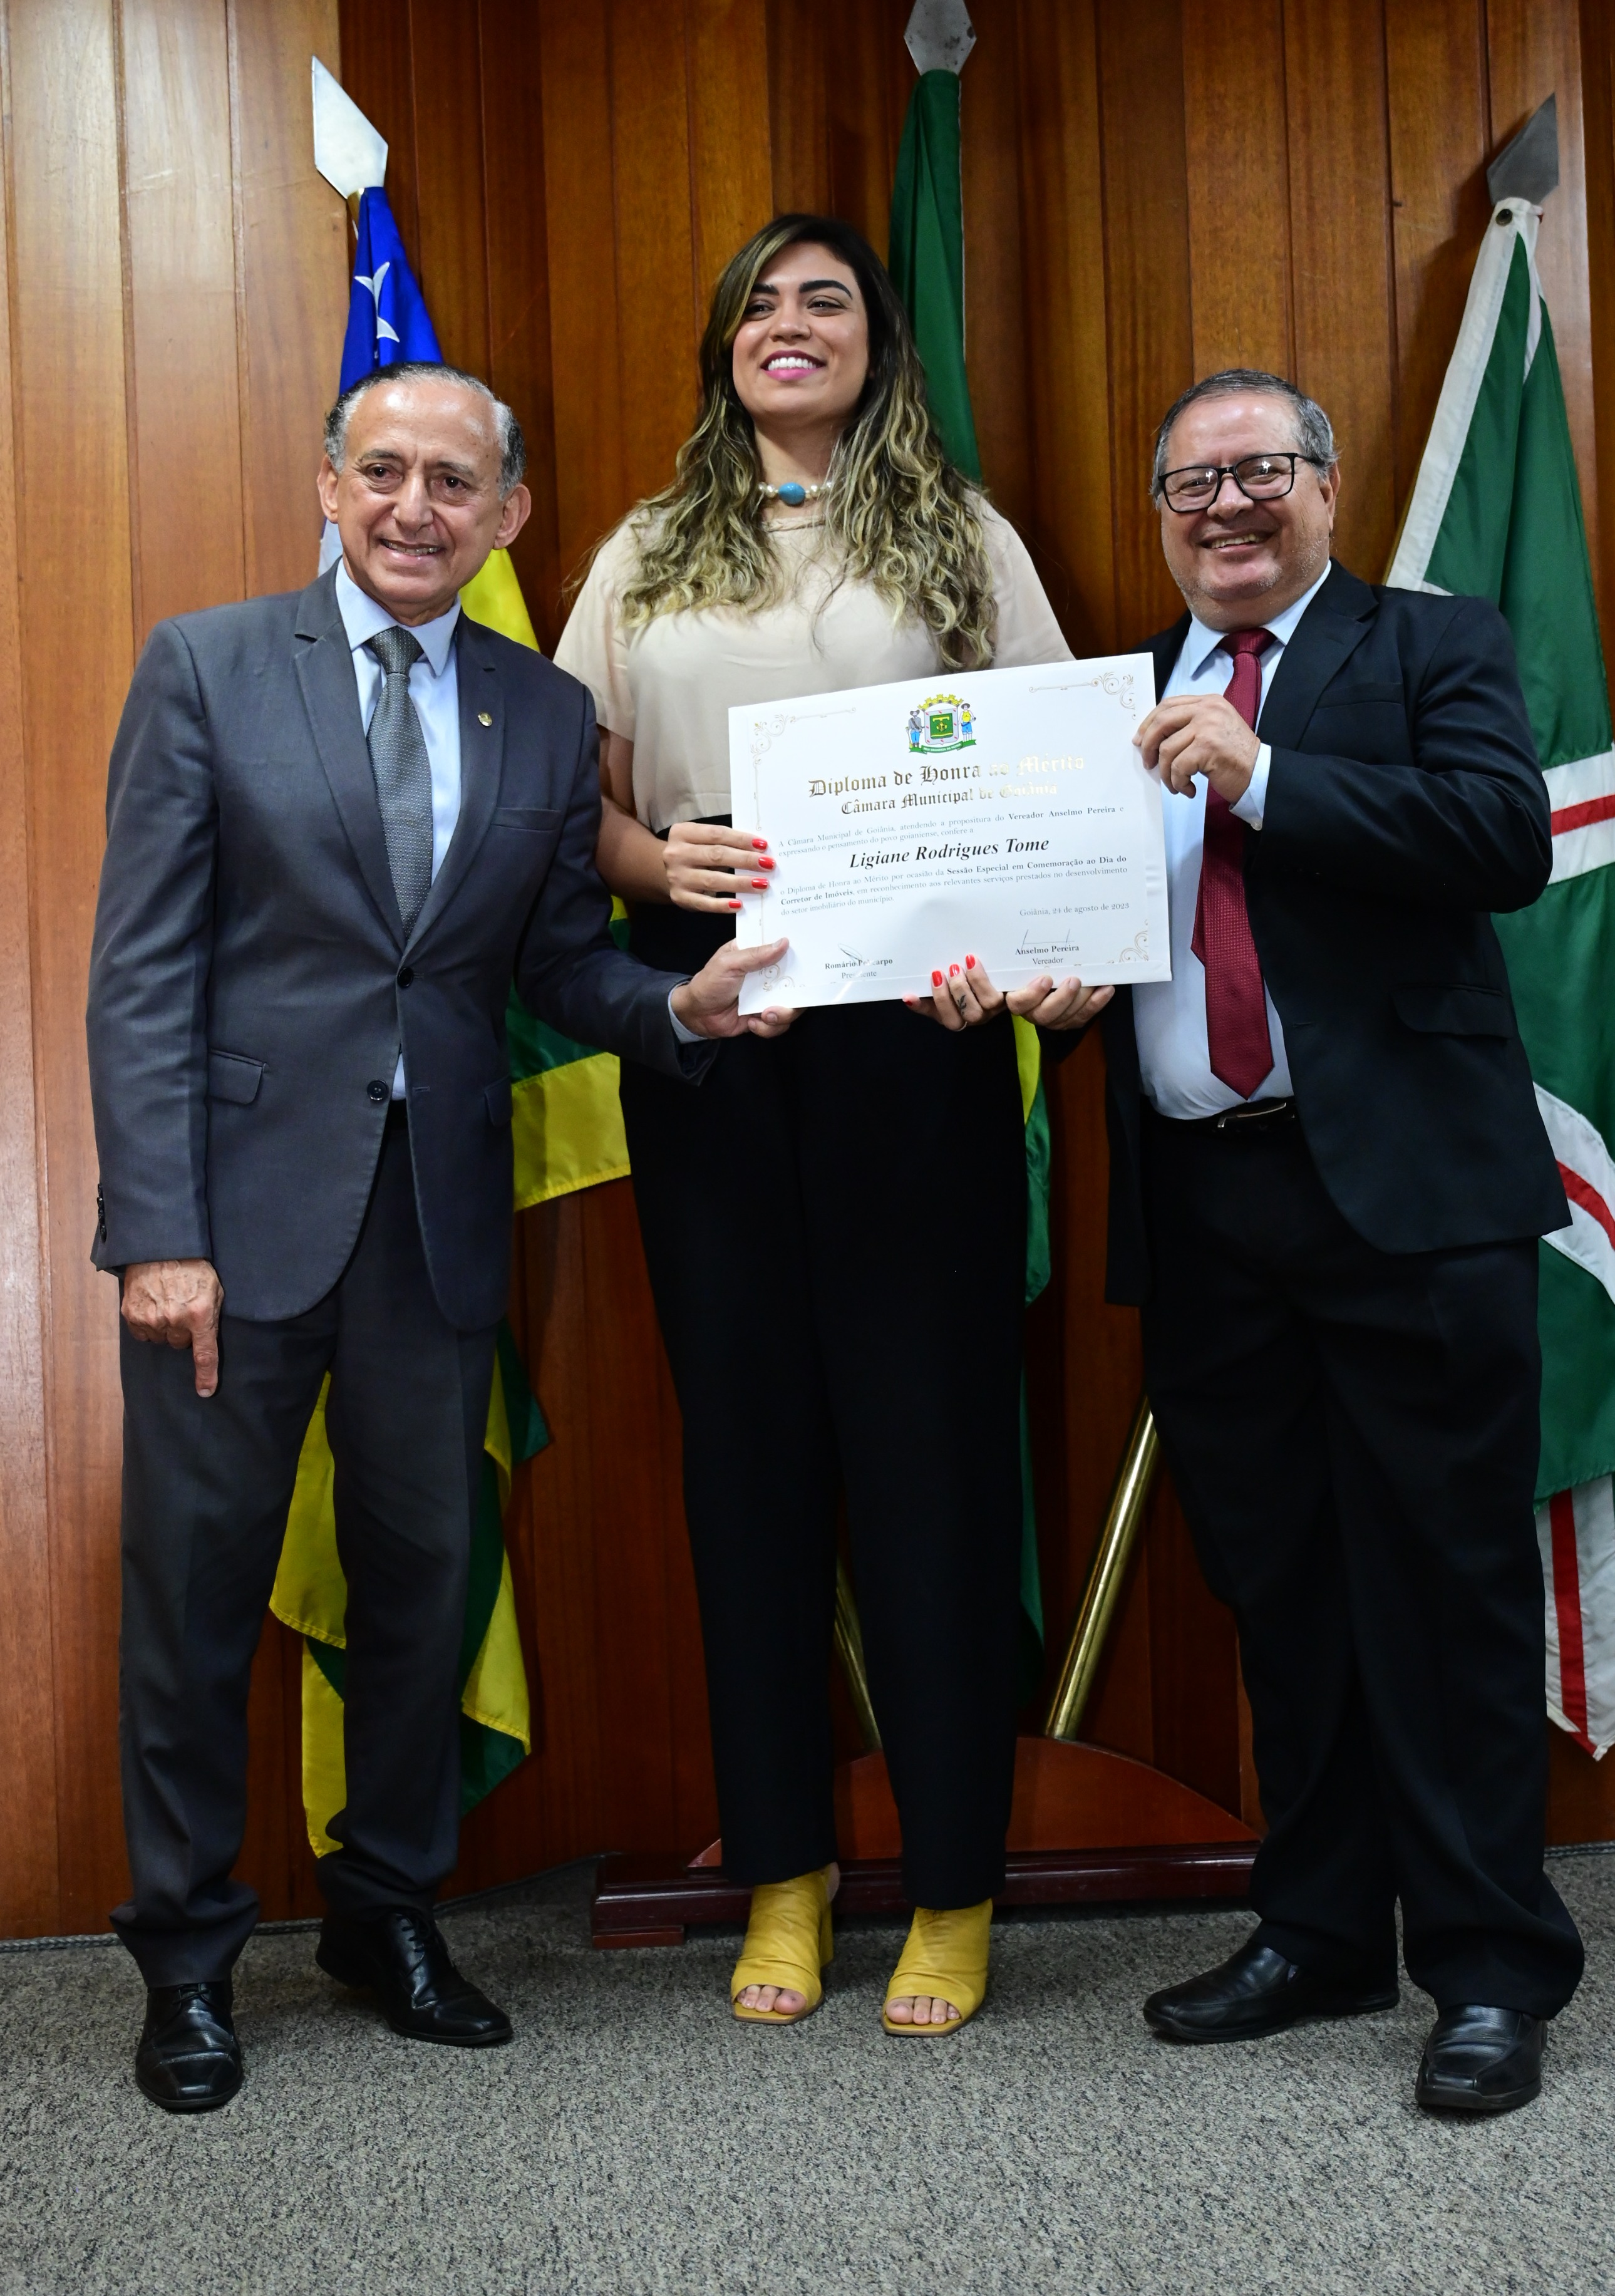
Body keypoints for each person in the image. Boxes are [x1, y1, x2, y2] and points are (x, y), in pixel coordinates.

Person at [86, 362, 777, 2112]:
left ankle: (383, 1908)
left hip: (436, 1223)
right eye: (382, 471)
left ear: (507, 516)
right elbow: (143, 969)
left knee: (419, 1583)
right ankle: (186, 1959)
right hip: (230, 1230)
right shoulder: (208, 667)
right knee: (194, 1601)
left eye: (453, 483)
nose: (415, 506)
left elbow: (551, 967)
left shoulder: (541, 712)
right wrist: (157, 1234)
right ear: (329, 486)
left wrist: (677, 1008)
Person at [554, 215, 1106, 2035]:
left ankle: (953, 1884)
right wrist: (663, 869)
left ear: (876, 343)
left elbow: (1055, 780)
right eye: (761, 306)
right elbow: (584, 802)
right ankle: (780, 1870)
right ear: (723, 343)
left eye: (827, 301)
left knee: (931, 1459)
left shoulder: (961, 533)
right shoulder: (644, 549)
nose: (790, 326)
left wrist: (1023, 955)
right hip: (711, 1024)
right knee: (750, 1460)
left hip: (915, 1038)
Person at [1051, 365, 1582, 2112]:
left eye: (1258, 470)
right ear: (1159, 514)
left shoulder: (1430, 646)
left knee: (1446, 1589)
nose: (1225, 505)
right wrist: (1042, 988)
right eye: (1190, 482)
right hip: (1206, 1205)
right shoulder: (1105, 699)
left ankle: (1489, 1965)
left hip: (1409, 1201)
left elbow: (1501, 839)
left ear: (1325, 487)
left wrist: (1265, 773)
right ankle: (1322, 1928)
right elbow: (1090, 926)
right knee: (1276, 1585)